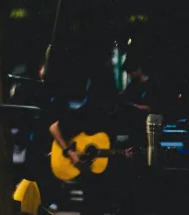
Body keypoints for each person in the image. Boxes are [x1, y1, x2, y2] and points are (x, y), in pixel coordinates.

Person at [50, 71, 146, 215]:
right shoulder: (90, 110)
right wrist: (69, 151)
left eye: (103, 101)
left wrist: (134, 155)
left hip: (122, 178)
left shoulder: (129, 113)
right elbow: (54, 128)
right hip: (95, 183)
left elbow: (140, 145)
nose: (101, 105)